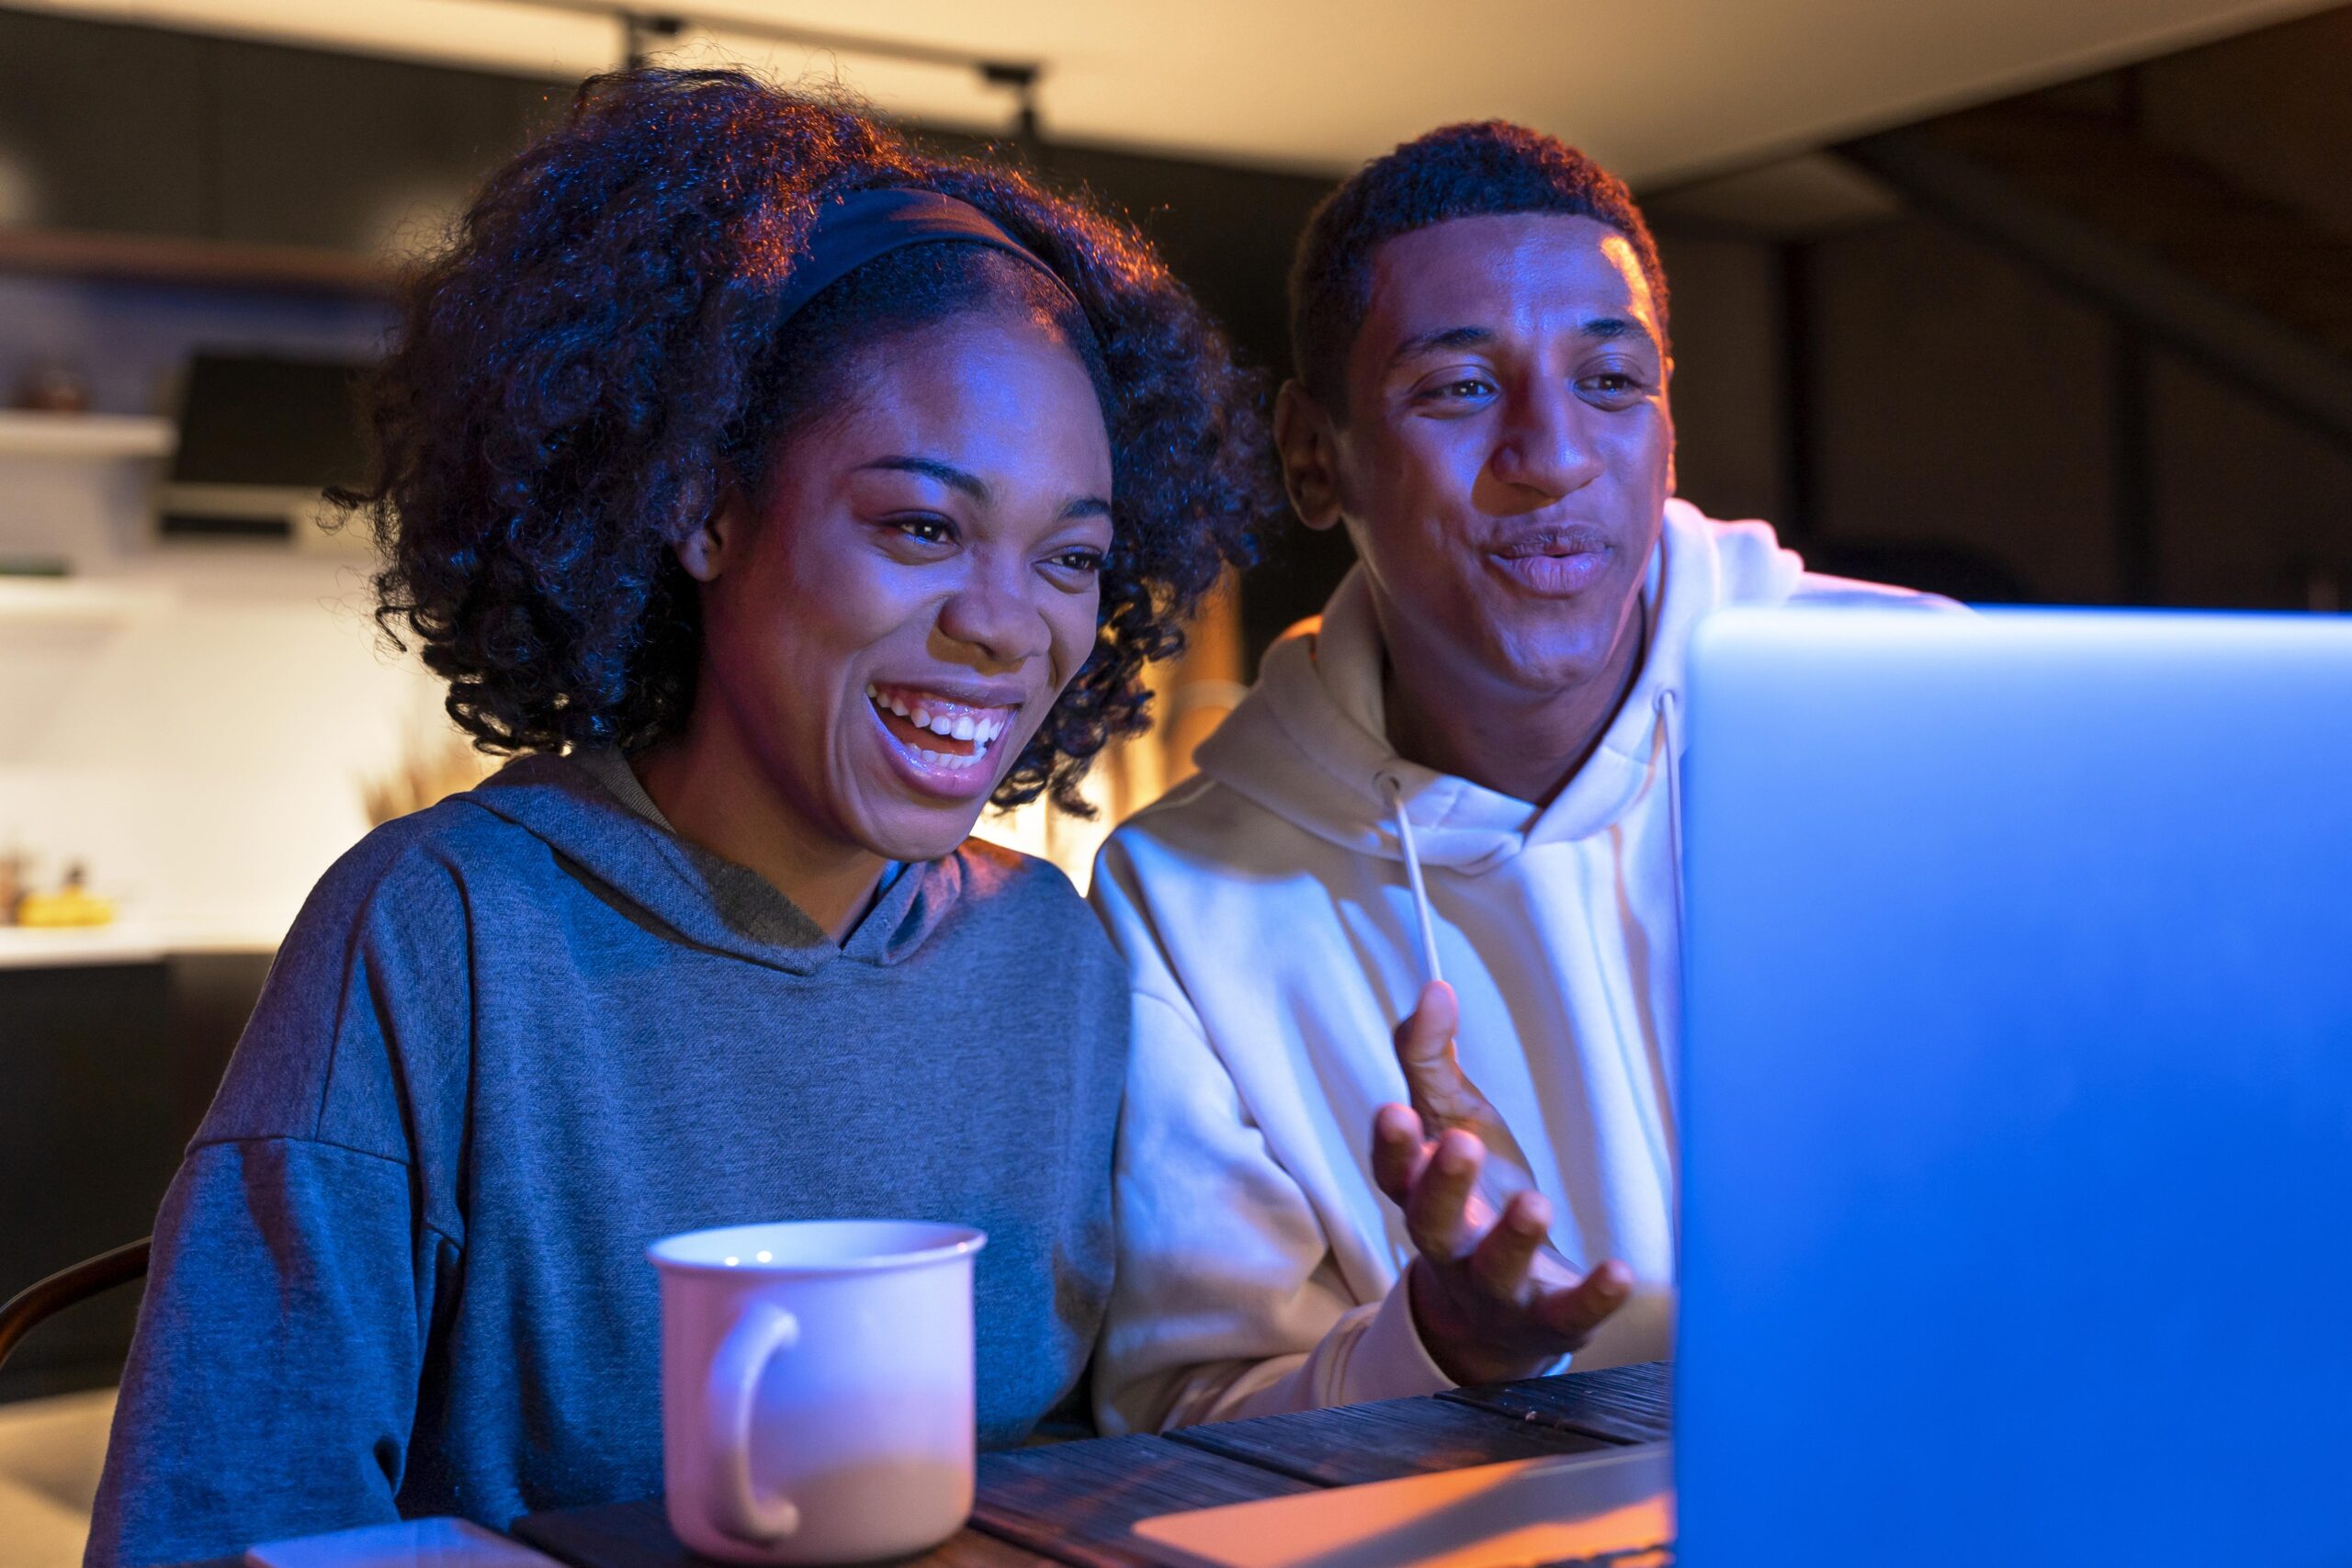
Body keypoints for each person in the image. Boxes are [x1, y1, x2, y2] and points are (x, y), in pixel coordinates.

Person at [88, 68, 1275, 1564]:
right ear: (701, 505)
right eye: (920, 526)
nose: (1005, 625)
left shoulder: (1057, 963)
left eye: (1070, 559)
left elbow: (1110, 1480)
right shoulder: (442, 939)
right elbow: (212, 1531)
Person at [1090, 120, 1948, 1434]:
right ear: (1315, 458)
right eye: (1460, 390)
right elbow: (1188, 1422)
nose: (1552, 455)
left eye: (1611, 382)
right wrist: (1438, 1343)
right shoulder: (1184, 899)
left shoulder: (1921, 704)